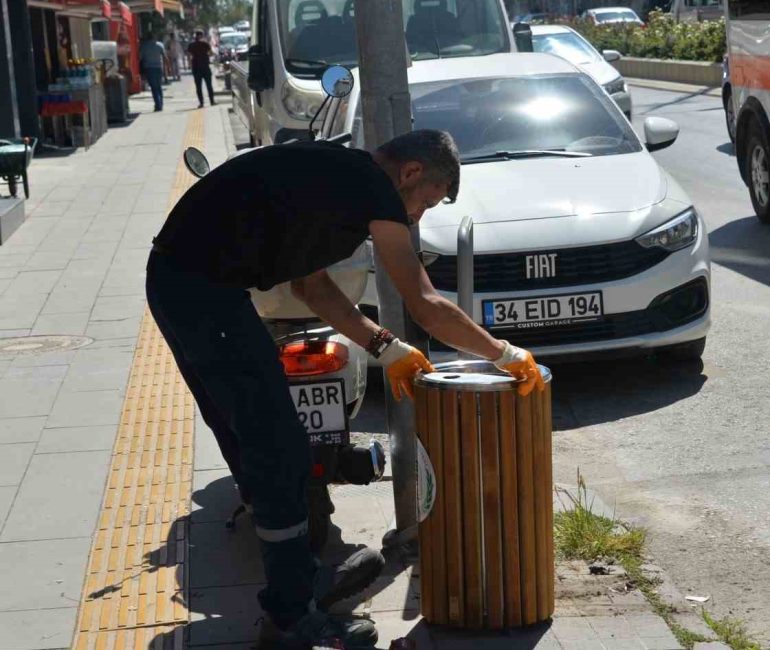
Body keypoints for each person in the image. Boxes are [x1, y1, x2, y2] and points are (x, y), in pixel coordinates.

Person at [146, 130, 542, 648]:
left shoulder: (331, 182)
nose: (417, 219)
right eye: (425, 202)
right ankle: (290, 617)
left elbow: (311, 287)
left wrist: (383, 345)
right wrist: (503, 352)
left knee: (258, 446)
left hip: (182, 286)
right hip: (204, 295)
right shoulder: (369, 187)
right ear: (410, 173)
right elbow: (423, 301)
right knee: (278, 451)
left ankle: (296, 585)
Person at [187, 30, 215, 108]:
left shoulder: (191, 45)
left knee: (198, 86)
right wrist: (206, 55)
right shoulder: (205, 44)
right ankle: (212, 101)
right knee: (209, 85)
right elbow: (211, 53)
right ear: (202, 35)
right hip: (205, 67)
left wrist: (189, 65)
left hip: (196, 67)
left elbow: (189, 56)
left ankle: (201, 103)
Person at [139, 35, 166, 111]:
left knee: (154, 88)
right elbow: (164, 56)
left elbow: (140, 57)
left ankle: (158, 105)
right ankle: (161, 103)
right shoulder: (159, 45)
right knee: (159, 87)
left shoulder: (144, 46)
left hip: (149, 68)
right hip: (158, 68)